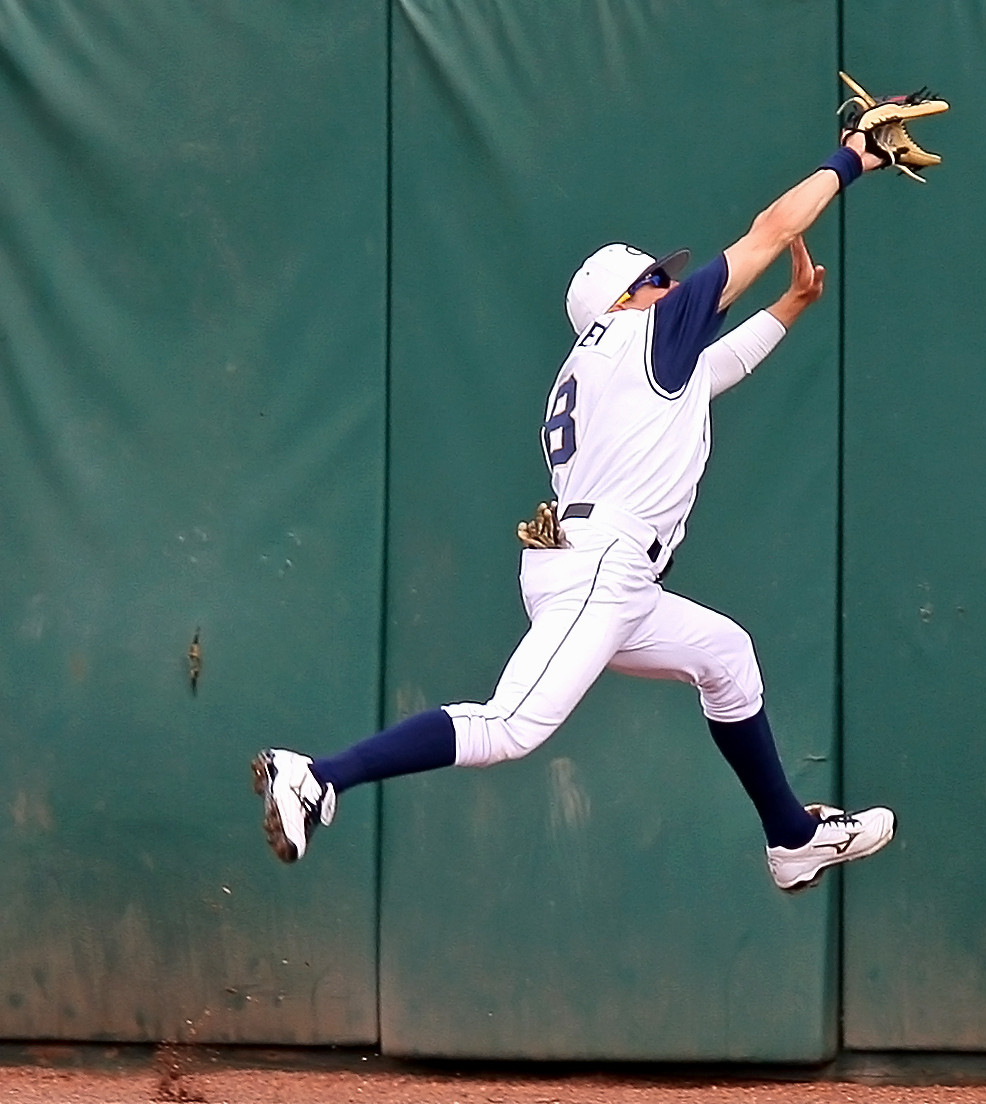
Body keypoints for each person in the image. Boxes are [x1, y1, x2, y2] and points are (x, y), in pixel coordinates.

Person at [252, 131, 894, 892]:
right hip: (602, 567)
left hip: (604, 568)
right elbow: (772, 230)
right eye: (655, 279)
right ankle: (318, 776)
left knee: (727, 657)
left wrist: (788, 306)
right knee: (509, 726)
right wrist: (854, 156)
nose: (670, 285)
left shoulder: (606, 368)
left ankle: (791, 838)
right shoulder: (643, 330)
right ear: (622, 301)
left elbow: (714, 371)